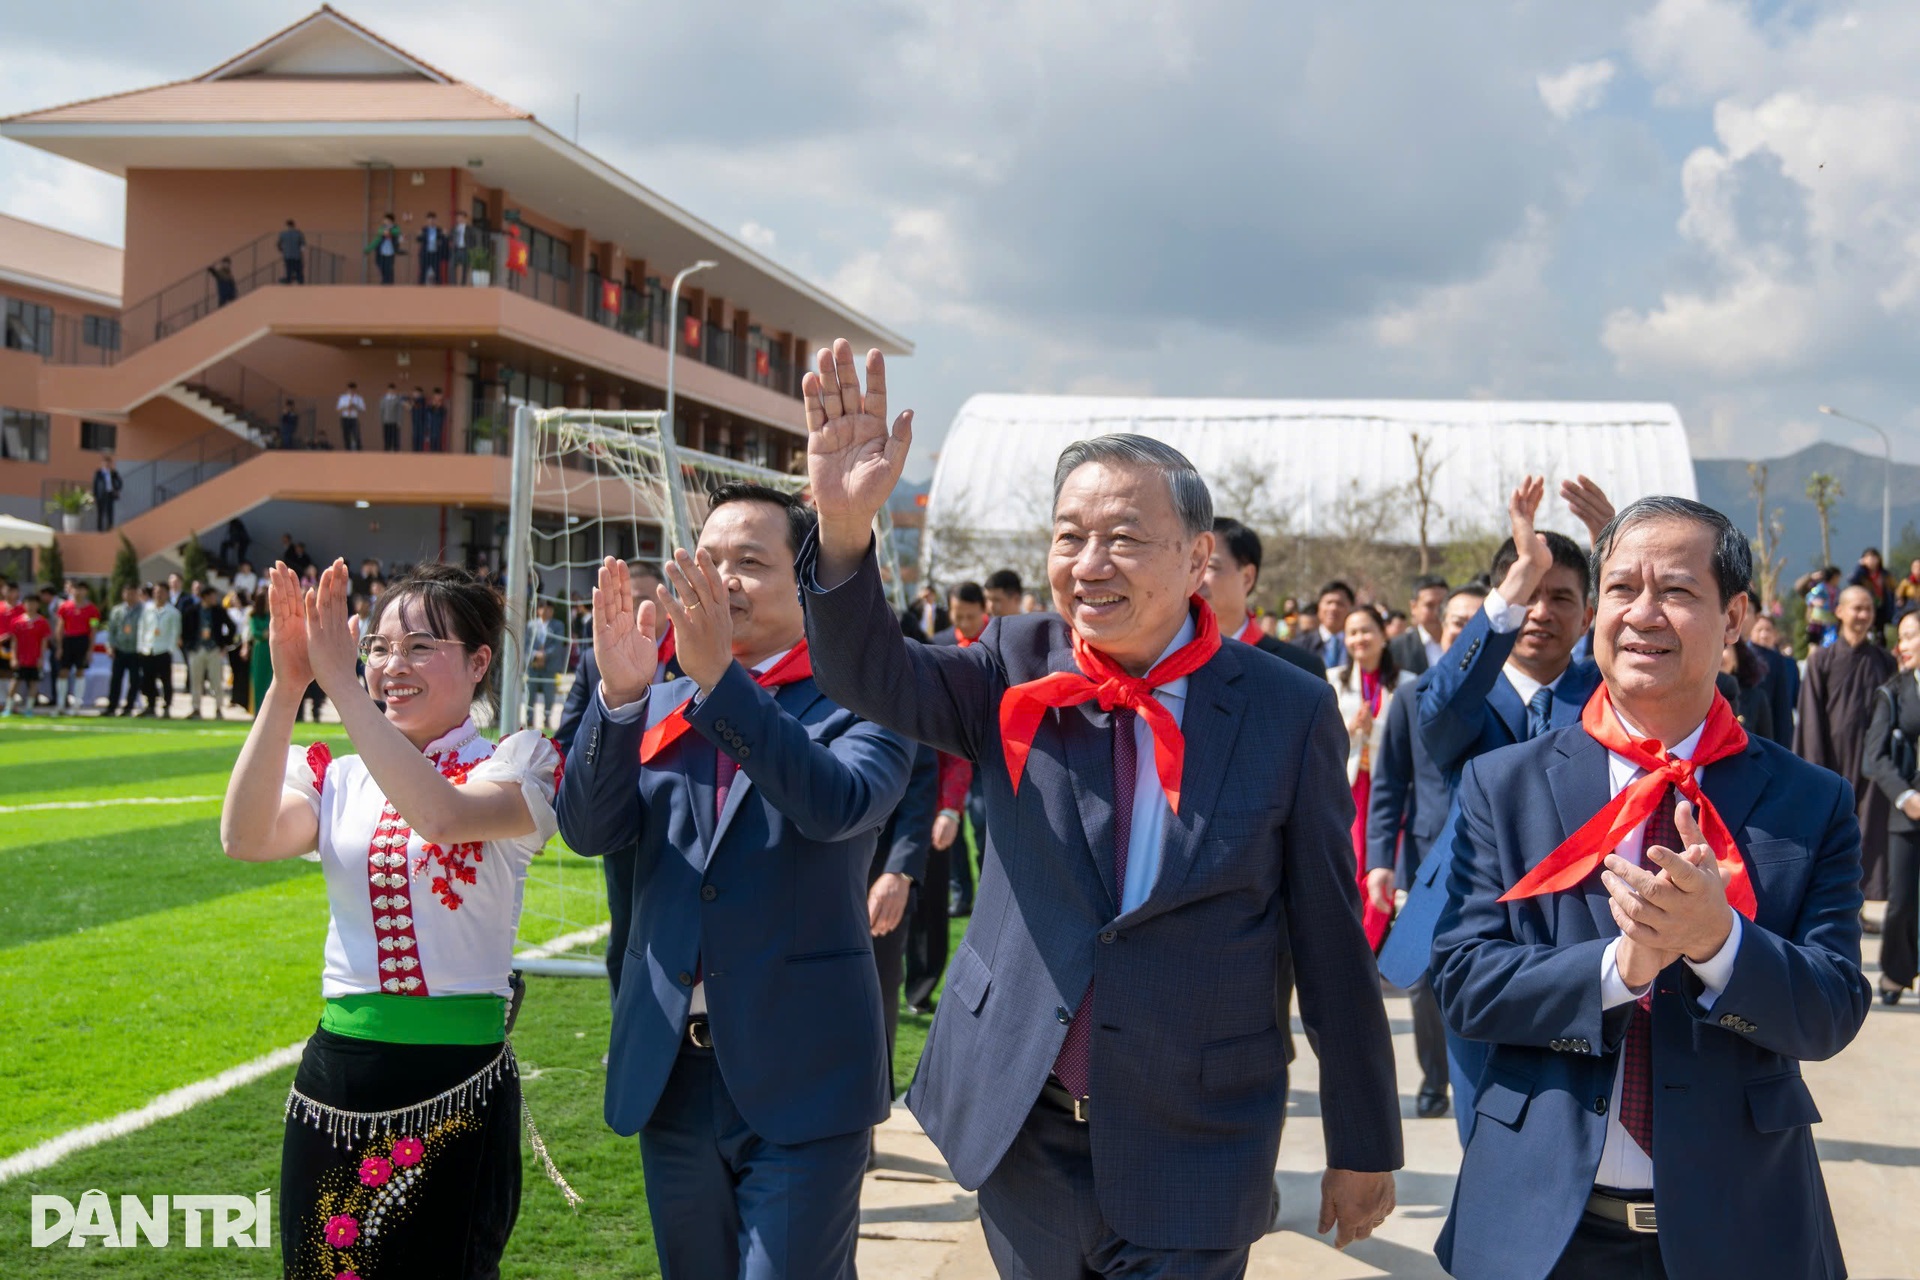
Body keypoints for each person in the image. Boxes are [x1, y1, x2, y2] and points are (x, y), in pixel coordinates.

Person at [801, 342, 1401, 1273]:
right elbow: (867, 670)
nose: (1088, 563)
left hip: (1195, 1135)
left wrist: (1363, 1138)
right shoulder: (1013, 660)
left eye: (1122, 536)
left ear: (1200, 557)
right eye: (1068, 535)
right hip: (1024, 1126)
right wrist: (842, 530)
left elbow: (1326, 934)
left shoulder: (1285, 711)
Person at [1432, 494, 1870, 1280]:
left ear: (1734, 617)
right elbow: (1464, 984)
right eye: (1622, 589)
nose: (1643, 613)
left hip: (1742, 1229)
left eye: (1675, 590)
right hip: (1542, 1230)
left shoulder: (1812, 803)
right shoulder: (1504, 785)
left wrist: (1717, 942)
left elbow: (1831, 1010)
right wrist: (1618, 969)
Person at [554, 484, 912, 1280]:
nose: (723, 581)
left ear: (809, 579)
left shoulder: (864, 695)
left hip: (805, 1073)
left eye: (750, 562)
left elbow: (835, 804)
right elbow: (587, 831)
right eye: (709, 561)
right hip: (670, 1070)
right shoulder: (653, 699)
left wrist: (722, 684)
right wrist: (616, 700)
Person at [220, 559, 565, 1276]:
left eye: (418, 647)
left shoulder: (516, 763)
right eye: (376, 647)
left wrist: (340, 685)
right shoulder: (338, 775)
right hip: (337, 1077)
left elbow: (441, 817)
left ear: (478, 663)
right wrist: (288, 688)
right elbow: (245, 838)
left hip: (457, 1079)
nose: (389, 666)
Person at [1377, 477, 1600, 1146]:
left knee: (1577, 1118)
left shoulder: (1606, 696)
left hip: (1583, 928)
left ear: (1588, 614)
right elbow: (1435, 717)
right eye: (1528, 595)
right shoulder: (1460, 699)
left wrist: (1616, 549)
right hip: (1473, 930)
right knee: (1485, 1116)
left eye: (1560, 597)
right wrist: (1509, 592)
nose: (1540, 611)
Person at [1368, 581, 1487, 1120]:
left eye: (1474, 621)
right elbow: (1389, 785)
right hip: (1426, 861)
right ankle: (1434, 1080)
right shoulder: (1412, 700)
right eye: (1454, 621)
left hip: (1489, 862)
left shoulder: (1502, 697)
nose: (1462, 630)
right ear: (1441, 631)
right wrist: (1380, 861)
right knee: (1423, 982)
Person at [555, 563, 677, 1009]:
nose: (641, 606)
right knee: (625, 928)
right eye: (632, 596)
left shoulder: (694, 652)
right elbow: (571, 734)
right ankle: (625, 1027)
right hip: (622, 816)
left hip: (678, 816)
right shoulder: (593, 660)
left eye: (649, 597)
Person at [1797, 583, 1898, 910]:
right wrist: (1815, 770)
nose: (1863, 615)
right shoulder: (1822, 661)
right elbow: (1810, 717)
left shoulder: (1884, 661)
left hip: (1873, 767)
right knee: (1831, 838)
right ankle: (1830, 909)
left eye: (1868, 609)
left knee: (1869, 836)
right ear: (1839, 612)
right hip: (1832, 763)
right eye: (1857, 608)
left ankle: (1857, 908)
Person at [1328, 604, 1406, 953]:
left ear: (1383, 635)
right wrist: (1351, 729)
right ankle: (1346, 948)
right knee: (1349, 867)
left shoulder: (1407, 684)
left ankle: (1364, 949)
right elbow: (1324, 737)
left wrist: (1373, 731)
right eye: (1353, 632)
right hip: (1348, 787)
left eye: (1366, 630)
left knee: (1381, 870)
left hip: (1390, 790)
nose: (1359, 638)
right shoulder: (1332, 681)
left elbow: (1407, 741)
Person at [1864, 608, 1920, 1005]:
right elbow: (1875, 757)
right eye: (1902, 636)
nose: (1905, 644)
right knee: (1901, 901)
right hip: (1909, 810)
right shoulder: (1893, 692)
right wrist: (1905, 797)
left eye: (1913, 635)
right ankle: (1897, 972)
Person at [1200, 516, 1326, 679]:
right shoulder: (1165, 658)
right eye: (1191, 564)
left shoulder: (1300, 668)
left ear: (1247, 577)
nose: (1196, 576)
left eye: (1209, 566)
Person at [183, 584, 236, 719]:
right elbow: (185, 629)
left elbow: (232, 626)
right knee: (196, 680)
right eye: (212, 596)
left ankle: (218, 708)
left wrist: (224, 643)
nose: (215, 599)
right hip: (197, 649)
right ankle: (196, 708)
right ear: (205, 597)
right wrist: (189, 645)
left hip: (214, 649)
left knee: (216, 680)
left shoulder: (219, 611)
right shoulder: (192, 611)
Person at [53, 582, 100, 711]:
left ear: (86, 592)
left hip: (82, 641)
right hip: (68, 641)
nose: (78, 592)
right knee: (63, 672)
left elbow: (94, 629)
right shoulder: (64, 607)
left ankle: (77, 704)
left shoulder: (92, 609)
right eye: (76, 589)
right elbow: (60, 627)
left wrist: (90, 649)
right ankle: (61, 704)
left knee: (80, 671)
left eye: (81, 589)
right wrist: (59, 646)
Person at [3, 593, 52, 716]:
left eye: (33, 603)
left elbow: (44, 642)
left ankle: (29, 708)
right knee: (15, 681)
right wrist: (13, 657)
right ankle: (8, 707)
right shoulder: (17, 622)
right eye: (28, 603)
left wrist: (42, 658)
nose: (30, 606)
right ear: (24, 605)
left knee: (33, 682)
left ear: (38, 605)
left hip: (35, 658)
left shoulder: (42, 622)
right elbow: (14, 641)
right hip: (20, 658)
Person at [137, 580, 180, 717]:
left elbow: (175, 632)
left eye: (161, 592)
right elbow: (142, 629)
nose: (158, 595)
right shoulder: (147, 609)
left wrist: (170, 649)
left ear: (167, 594)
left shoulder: (172, 612)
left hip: (163, 650)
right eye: (156, 592)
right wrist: (141, 646)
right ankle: (150, 705)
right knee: (148, 680)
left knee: (165, 680)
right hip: (148, 649)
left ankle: (167, 706)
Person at [1390, 574, 1448, 675]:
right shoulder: (1397, 648)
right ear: (1413, 607)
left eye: (1443, 604)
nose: (1437, 612)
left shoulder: (1464, 642)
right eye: (1430, 605)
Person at [523, 600, 566, 732]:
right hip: (533, 666)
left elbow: (558, 645)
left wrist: (544, 655)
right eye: (543, 608)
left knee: (549, 695)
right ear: (538, 610)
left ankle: (547, 719)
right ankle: (529, 719)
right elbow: (526, 644)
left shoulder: (558, 625)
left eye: (549, 608)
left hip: (550, 666)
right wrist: (535, 655)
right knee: (530, 693)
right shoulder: (531, 625)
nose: (547, 611)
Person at [105, 583, 145, 716]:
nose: (130, 596)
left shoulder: (144, 610)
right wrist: (110, 645)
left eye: (133, 593)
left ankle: (129, 706)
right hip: (120, 650)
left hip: (136, 650)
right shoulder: (117, 610)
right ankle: (112, 706)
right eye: (127, 593)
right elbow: (111, 630)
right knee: (116, 679)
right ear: (123, 594)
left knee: (134, 680)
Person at [1295, 581, 1355, 669]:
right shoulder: (1300, 646)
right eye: (1328, 602)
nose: (1333, 608)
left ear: (1351, 608)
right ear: (1319, 607)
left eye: (1340, 603)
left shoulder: (1358, 645)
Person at [1849, 547, 1893, 637]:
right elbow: (1852, 580)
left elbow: (1892, 588)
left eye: (1873, 558)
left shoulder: (1884, 574)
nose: (1871, 561)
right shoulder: (1861, 574)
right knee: (1866, 629)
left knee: (1880, 632)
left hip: (1881, 605)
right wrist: (1859, 566)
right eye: (1868, 558)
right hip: (1866, 605)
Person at [247, 587, 273, 715]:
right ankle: (258, 712)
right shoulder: (254, 616)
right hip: (260, 651)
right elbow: (255, 633)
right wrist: (265, 634)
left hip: (273, 650)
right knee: (259, 682)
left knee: (272, 681)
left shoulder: (273, 616)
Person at [1803, 566, 1840, 648]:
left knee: (1831, 637)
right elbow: (1809, 596)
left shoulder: (1836, 590)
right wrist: (1814, 601)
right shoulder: (1821, 587)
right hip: (1819, 618)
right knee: (1816, 641)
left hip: (1831, 618)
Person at [368, 213, 401, 286]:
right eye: (385, 220)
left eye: (387, 220)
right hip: (381, 252)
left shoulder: (395, 227)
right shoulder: (382, 227)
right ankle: (384, 281)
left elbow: (397, 232)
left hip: (390, 252)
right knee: (380, 266)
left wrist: (389, 231)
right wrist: (368, 249)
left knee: (389, 269)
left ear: (391, 221)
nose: (385, 221)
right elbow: (378, 237)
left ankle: (389, 283)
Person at [92, 454, 122, 531]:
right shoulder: (98, 473)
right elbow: (95, 485)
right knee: (100, 512)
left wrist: (117, 489)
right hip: (101, 494)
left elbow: (119, 482)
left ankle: (110, 527)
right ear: (102, 463)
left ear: (110, 463)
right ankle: (99, 529)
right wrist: (94, 496)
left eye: (108, 463)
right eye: (105, 463)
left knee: (110, 512)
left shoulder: (113, 473)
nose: (106, 464)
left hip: (110, 494)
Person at [417, 212, 447, 285]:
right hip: (426, 253)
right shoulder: (424, 229)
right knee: (423, 271)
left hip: (435, 253)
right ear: (427, 220)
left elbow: (444, 240)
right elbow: (418, 239)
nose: (431, 221)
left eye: (433, 219)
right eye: (429, 219)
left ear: (435, 220)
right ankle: (421, 288)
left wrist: (445, 235)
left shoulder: (439, 230)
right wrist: (419, 235)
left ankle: (438, 289)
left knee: (437, 272)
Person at [337, 382, 366, 452]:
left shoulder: (359, 398)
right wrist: (346, 407)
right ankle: (347, 450)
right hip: (345, 418)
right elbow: (338, 409)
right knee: (346, 435)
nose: (351, 392)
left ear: (355, 390)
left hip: (354, 418)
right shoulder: (343, 398)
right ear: (347, 390)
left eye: (353, 390)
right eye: (350, 390)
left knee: (356, 434)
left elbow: (363, 409)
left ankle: (359, 450)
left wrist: (355, 406)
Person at [450, 211, 477, 285]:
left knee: (465, 268)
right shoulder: (454, 228)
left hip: (465, 249)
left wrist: (472, 250)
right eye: (458, 217)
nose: (459, 219)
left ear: (465, 218)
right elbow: (450, 237)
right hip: (456, 250)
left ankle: (463, 284)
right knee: (452, 266)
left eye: (461, 217)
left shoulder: (470, 229)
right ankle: (453, 284)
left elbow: (474, 240)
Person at [379, 383, 406, 452]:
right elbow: (381, 410)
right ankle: (387, 450)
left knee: (395, 437)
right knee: (387, 437)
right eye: (390, 390)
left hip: (394, 421)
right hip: (386, 421)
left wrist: (399, 421)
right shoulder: (383, 399)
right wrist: (382, 419)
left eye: (393, 390)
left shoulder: (397, 399)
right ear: (388, 390)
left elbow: (399, 411)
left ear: (394, 390)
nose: (391, 391)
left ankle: (396, 451)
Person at [277, 219, 306, 285]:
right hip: (297, 255)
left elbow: (279, 244)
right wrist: (301, 252)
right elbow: (303, 245)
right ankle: (300, 280)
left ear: (287, 226)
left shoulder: (283, 234)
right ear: (294, 225)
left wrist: (282, 250)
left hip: (287, 255)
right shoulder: (298, 234)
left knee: (288, 269)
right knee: (298, 269)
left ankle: (288, 280)